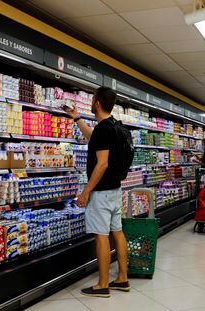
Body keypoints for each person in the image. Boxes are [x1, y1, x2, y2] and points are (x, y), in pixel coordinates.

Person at [63, 87, 129, 298]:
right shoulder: (116, 127)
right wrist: (77, 118)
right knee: (117, 232)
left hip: (101, 193)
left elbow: (101, 164)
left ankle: (102, 284)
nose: (91, 102)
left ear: (98, 103)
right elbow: (95, 138)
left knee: (101, 236)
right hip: (115, 190)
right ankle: (122, 278)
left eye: (92, 99)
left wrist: (86, 191)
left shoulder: (104, 129)